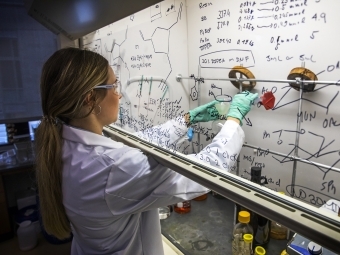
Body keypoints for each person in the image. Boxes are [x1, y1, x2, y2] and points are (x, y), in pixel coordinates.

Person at [35, 47, 257, 255]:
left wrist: (187, 119)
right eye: (114, 86)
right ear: (91, 99)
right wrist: (234, 119)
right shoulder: (112, 167)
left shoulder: (66, 142)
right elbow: (206, 172)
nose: (119, 94)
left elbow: (136, 144)